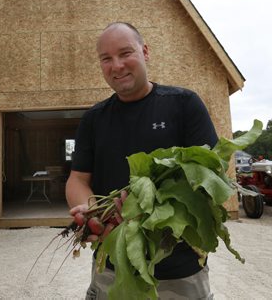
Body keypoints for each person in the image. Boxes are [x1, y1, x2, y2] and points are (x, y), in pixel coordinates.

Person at [65, 22, 218, 299]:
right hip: (114, 264)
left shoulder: (184, 105)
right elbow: (78, 179)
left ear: (145, 52)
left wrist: (146, 208)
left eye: (125, 53)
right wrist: (93, 213)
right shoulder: (93, 119)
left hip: (179, 268)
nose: (117, 65)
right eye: (106, 58)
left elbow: (210, 178)